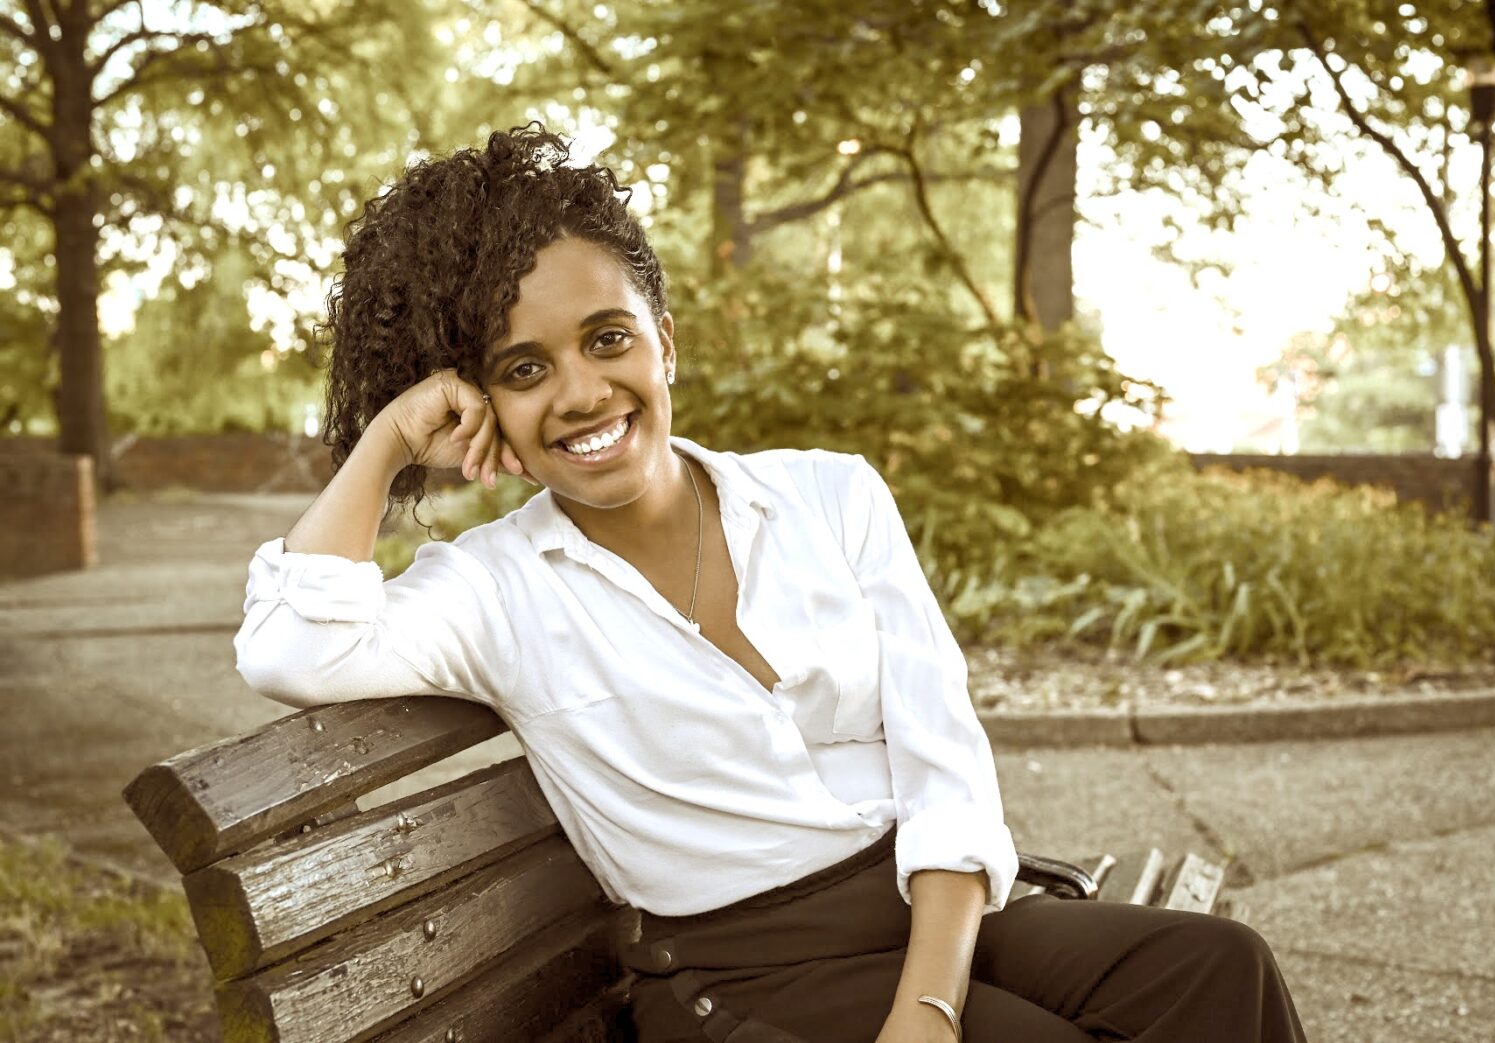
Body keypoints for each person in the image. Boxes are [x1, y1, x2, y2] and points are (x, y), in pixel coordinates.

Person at [234, 124, 1306, 1043]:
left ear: (665, 343)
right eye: (523, 369)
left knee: (1221, 970)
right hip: (739, 976)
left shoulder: (829, 497)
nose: (580, 391)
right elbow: (290, 646)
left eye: (607, 339)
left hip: (917, 904)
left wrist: (926, 1005)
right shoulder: (494, 590)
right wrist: (386, 440)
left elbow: (941, 761)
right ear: (487, 406)